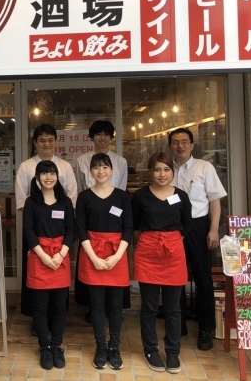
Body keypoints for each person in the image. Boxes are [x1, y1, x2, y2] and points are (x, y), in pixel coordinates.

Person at [132, 152, 191, 374]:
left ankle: (173, 352)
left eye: (166, 169)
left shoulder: (181, 196)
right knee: (148, 307)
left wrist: (172, 241)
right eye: (157, 169)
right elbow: (134, 225)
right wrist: (149, 242)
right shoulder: (140, 196)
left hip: (173, 254)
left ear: (172, 172)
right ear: (150, 172)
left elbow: (187, 225)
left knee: (173, 308)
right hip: (148, 253)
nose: (162, 174)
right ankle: (150, 350)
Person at [169, 128, 227, 351]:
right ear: (170, 146)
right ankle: (179, 323)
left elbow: (215, 201)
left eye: (184, 142)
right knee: (175, 277)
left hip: (198, 225)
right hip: (173, 227)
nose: (180, 146)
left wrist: (213, 230)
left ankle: (206, 328)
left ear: (192, 145)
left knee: (203, 277)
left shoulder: (204, 167)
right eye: (176, 142)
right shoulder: (167, 167)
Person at [16, 124, 78, 332]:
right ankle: (37, 318)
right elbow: (23, 199)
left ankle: (56, 317)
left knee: (58, 277)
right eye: (42, 140)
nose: (46, 144)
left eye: (50, 140)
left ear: (56, 142)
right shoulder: (26, 167)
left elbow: (71, 197)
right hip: (35, 229)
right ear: (35, 142)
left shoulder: (65, 166)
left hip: (59, 232)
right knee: (36, 277)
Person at [76, 153, 132, 370]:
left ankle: (114, 347)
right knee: (97, 305)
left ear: (112, 170)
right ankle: (101, 347)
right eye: (96, 167)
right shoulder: (84, 197)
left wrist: (117, 256)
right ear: (90, 171)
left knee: (116, 306)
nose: (101, 171)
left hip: (117, 252)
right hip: (92, 253)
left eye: (105, 167)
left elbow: (128, 227)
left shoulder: (122, 196)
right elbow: (81, 229)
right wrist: (94, 258)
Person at [74, 120, 130, 319]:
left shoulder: (120, 162)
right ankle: (92, 307)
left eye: (106, 134)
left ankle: (112, 308)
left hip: (114, 219)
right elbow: (80, 188)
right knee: (91, 267)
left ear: (111, 137)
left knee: (114, 269)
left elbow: (121, 189)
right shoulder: (82, 160)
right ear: (92, 137)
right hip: (91, 215)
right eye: (98, 134)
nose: (102, 138)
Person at [23, 160, 75, 370]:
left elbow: (71, 230)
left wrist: (61, 254)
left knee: (60, 307)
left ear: (57, 177)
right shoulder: (31, 202)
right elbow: (28, 230)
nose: (48, 177)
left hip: (60, 257)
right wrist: (43, 256)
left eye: (52, 173)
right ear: (37, 178)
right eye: (44, 174)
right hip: (39, 257)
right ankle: (44, 346)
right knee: (40, 307)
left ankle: (56, 346)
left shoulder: (65, 201)